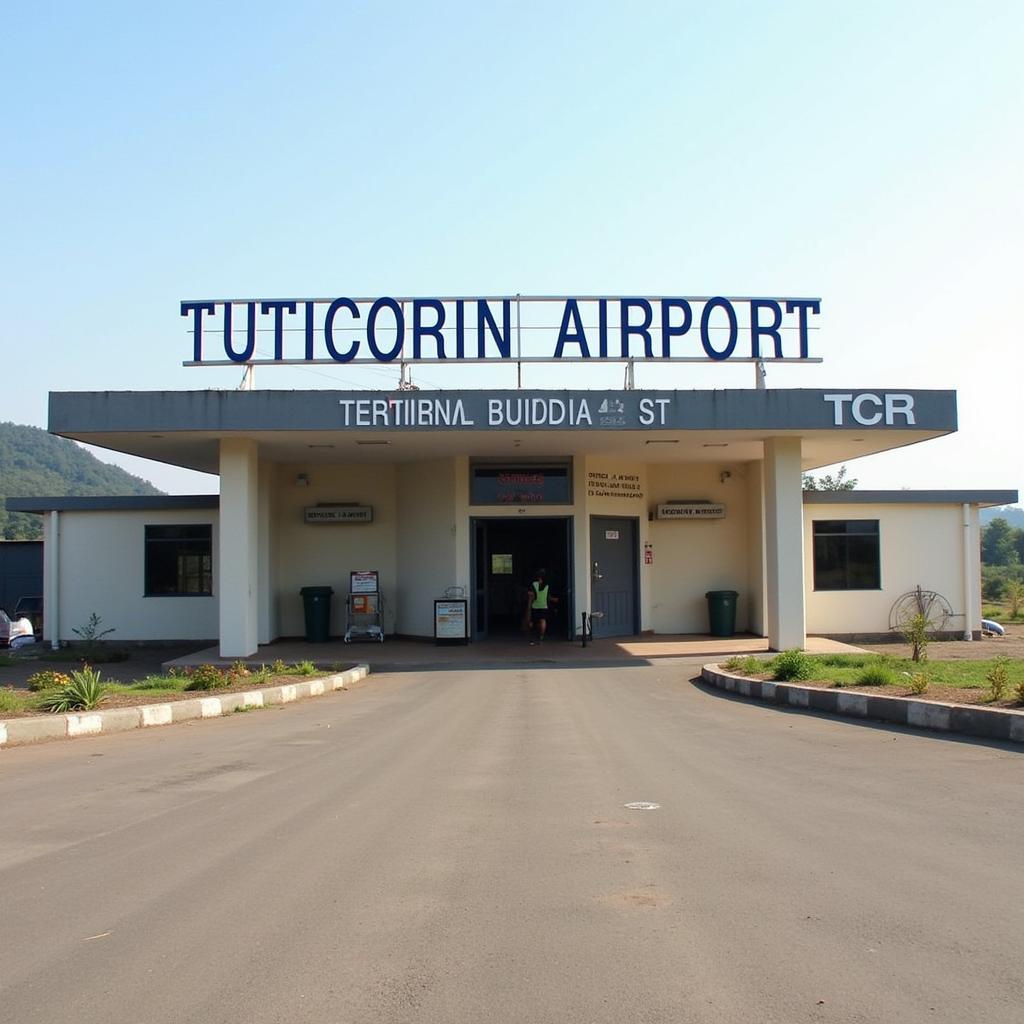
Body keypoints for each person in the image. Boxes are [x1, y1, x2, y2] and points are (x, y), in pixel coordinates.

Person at [528, 568, 557, 644]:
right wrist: (554, 600)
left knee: (532, 622)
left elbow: (531, 595)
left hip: (535, 606)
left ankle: (532, 638)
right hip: (544, 606)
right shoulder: (547, 586)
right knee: (543, 621)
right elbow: (548, 597)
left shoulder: (534, 584)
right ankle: (541, 637)